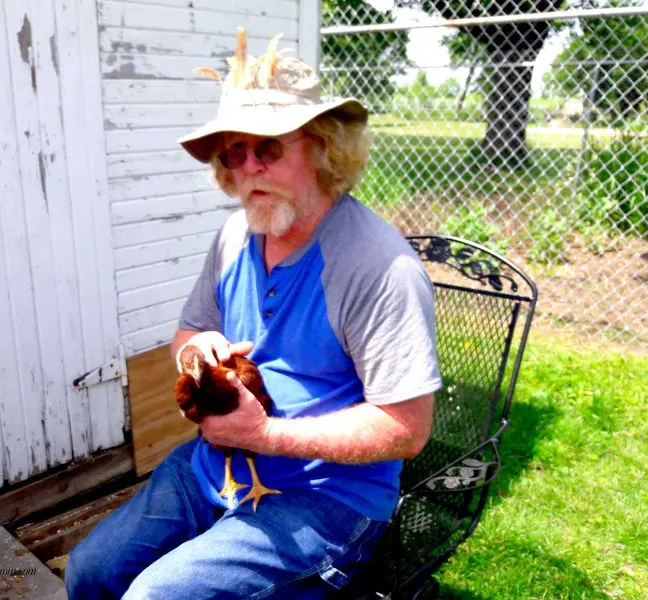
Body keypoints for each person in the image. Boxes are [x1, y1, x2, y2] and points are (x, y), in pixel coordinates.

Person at [65, 29, 442, 600]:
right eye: (233, 153)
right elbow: (188, 333)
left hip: (329, 498)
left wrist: (265, 434)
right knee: (90, 572)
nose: (248, 169)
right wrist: (198, 352)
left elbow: (406, 429)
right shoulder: (236, 235)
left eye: (267, 148)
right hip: (218, 466)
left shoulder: (378, 266)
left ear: (322, 148)